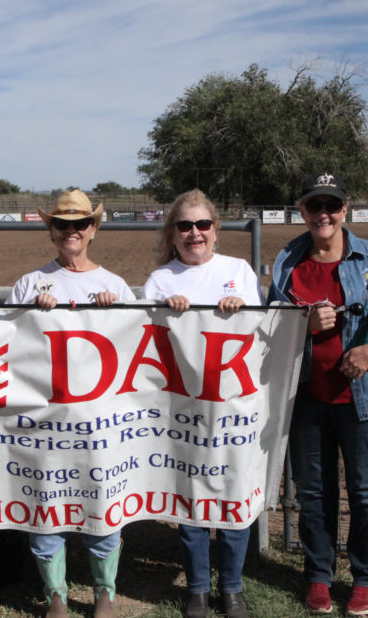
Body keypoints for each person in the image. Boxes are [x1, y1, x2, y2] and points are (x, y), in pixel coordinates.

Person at [268, 172, 368, 617]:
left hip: (366, 400)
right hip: (308, 398)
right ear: (302, 211)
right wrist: (303, 327)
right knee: (313, 493)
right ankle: (318, 575)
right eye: (315, 206)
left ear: (345, 210)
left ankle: (366, 578)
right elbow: (271, 325)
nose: (324, 214)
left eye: (332, 206)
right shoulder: (287, 262)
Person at [6, 189, 133, 618]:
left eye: (80, 224)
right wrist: (30, 314)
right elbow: (6, 345)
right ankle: (54, 594)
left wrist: (114, 315)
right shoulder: (29, 283)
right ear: (51, 231)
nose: (71, 232)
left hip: (100, 416)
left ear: (94, 230)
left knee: (101, 497)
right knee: (47, 499)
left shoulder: (115, 286)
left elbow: (138, 350)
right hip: (46, 416)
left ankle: (105, 592)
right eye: (62, 224)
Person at [141, 189, 260, 618]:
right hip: (182, 410)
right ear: (172, 233)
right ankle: (197, 588)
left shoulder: (239, 271)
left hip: (232, 409)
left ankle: (231, 587)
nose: (195, 233)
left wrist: (241, 308)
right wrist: (163, 308)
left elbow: (261, 329)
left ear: (216, 230)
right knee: (190, 498)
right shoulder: (160, 280)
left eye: (202, 225)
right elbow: (143, 341)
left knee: (233, 494)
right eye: (185, 226)